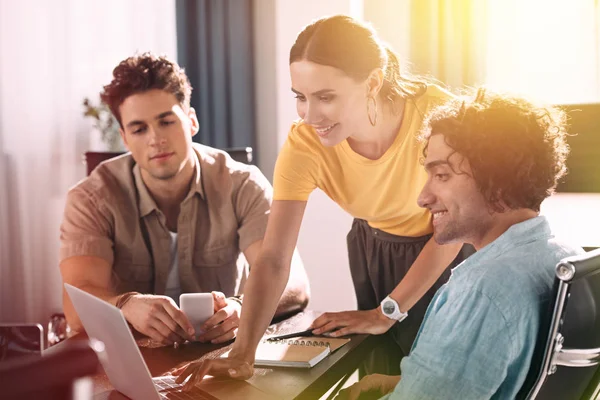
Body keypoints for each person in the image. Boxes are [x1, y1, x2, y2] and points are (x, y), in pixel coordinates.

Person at [171, 15, 474, 387]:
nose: (310, 116)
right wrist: (243, 353)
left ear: (373, 83)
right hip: (374, 249)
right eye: (301, 97)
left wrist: (386, 311)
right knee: (380, 379)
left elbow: (455, 229)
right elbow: (273, 257)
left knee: (441, 382)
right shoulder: (305, 144)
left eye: (326, 97)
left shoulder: (438, 117)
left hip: (451, 249)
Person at [336, 89, 583, 400]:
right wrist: (406, 383)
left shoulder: (483, 290)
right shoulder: (563, 254)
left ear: (498, 180)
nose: (423, 198)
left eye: (442, 175)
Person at [59, 53, 310, 346]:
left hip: (221, 354)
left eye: (166, 122)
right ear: (125, 139)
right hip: (131, 359)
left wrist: (243, 307)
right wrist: (125, 305)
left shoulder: (242, 184)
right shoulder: (90, 198)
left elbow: (294, 284)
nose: (156, 139)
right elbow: (75, 311)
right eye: (139, 129)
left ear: (191, 121)